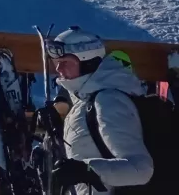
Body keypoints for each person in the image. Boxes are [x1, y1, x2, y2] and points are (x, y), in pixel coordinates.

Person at [47, 26, 153, 195]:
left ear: (87, 61)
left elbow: (140, 169)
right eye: (56, 62)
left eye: (65, 62)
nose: (59, 69)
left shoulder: (108, 101)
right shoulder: (85, 101)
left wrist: (87, 170)